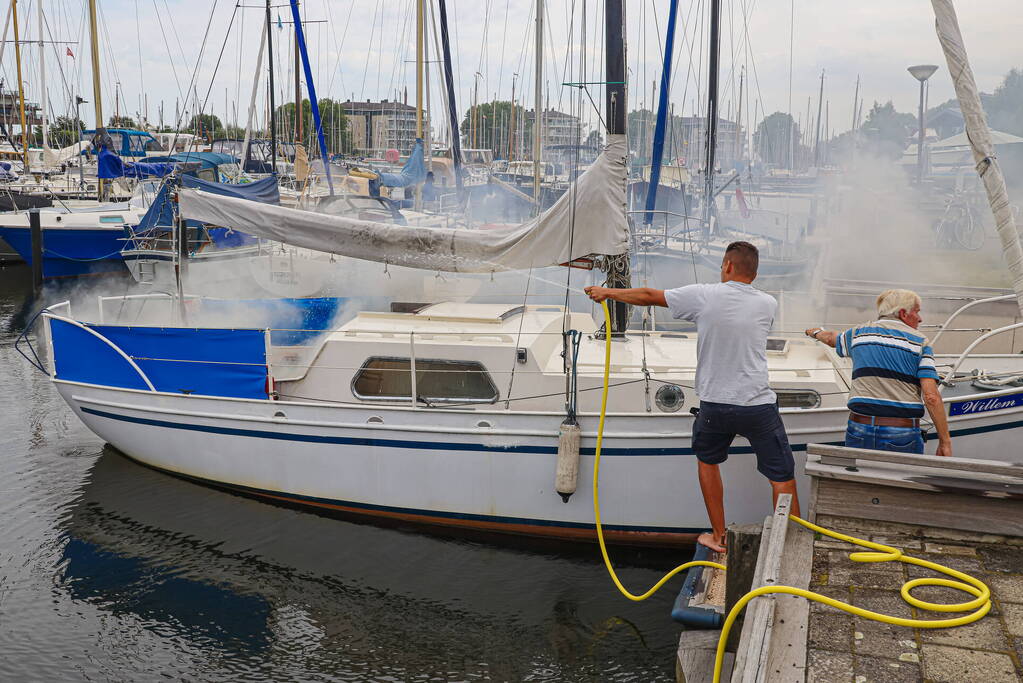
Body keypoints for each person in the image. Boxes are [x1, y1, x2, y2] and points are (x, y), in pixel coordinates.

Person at [585, 241, 798, 553]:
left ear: (727, 266)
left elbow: (648, 296)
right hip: (758, 404)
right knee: (782, 477)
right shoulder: (768, 304)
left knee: (708, 461)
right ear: (755, 272)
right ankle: (790, 544)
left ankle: (718, 536)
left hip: (716, 405)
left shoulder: (705, 295)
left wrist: (608, 293)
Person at [804, 289, 952, 457]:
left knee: (860, 482)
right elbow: (931, 397)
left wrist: (814, 332)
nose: (920, 318)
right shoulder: (920, 342)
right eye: (917, 312)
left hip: (859, 428)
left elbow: (831, 338)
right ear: (903, 313)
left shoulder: (858, 334)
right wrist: (944, 441)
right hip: (901, 433)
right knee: (898, 483)